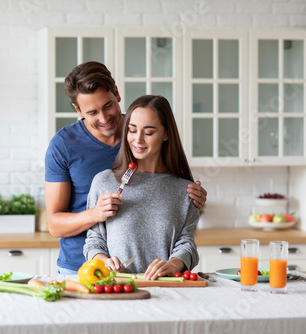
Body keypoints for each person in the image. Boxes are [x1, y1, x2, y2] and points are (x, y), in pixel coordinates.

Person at [44, 61, 207, 275]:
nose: (104, 118)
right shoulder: (64, 145)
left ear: (117, 94)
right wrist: (95, 214)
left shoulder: (141, 132)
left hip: (153, 275)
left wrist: (194, 198)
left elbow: (168, 186)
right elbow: (55, 225)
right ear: (78, 110)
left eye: (108, 105)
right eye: (92, 112)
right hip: (80, 268)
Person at [83, 95, 199, 280]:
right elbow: (94, 239)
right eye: (132, 130)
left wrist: (172, 265)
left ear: (166, 134)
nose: (138, 140)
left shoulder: (186, 190)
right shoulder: (103, 182)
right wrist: (103, 261)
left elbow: (187, 243)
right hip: (118, 289)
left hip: (168, 289)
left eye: (149, 132)